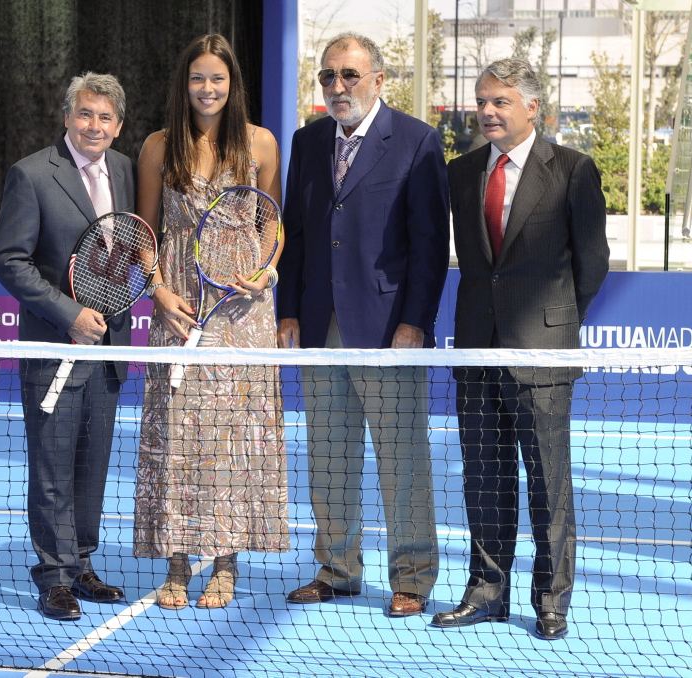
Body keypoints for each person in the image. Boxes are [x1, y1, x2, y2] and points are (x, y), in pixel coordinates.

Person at [429, 58, 609, 640]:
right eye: (482, 101)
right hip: (476, 348)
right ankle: (487, 591)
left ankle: (550, 600)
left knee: (546, 480)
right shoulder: (460, 173)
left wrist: (555, 323)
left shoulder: (574, 170)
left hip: (544, 352)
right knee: (483, 476)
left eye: (500, 102)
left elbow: (593, 264)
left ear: (533, 106)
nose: (487, 111)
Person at [276, 32, 450, 617]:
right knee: (328, 455)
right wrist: (290, 310)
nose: (337, 86)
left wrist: (414, 324)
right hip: (321, 324)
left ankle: (413, 576)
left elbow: (430, 244)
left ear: (378, 80)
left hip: (387, 331)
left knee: (402, 459)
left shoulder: (417, 141)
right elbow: (296, 233)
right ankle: (336, 568)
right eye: (328, 76)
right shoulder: (307, 142)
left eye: (349, 75)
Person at [132, 34, 288, 611]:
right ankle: (176, 564)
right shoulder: (158, 147)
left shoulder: (261, 144)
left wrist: (267, 270)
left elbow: (270, 224)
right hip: (179, 308)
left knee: (229, 440)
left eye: (217, 79)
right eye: (198, 78)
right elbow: (145, 237)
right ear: (185, 84)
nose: (207, 89)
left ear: (232, 85)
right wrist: (159, 292)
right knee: (176, 435)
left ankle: (225, 564)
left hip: (243, 313)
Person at [0, 72, 134, 621]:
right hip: (54, 347)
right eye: (85, 114)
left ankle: (82, 564)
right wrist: (69, 313)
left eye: (105, 117)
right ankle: (53, 575)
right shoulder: (30, 174)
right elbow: (9, 260)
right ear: (67, 117)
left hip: (109, 350)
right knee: (51, 466)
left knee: (92, 464)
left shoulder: (123, 169)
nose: (93, 126)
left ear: (118, 126)